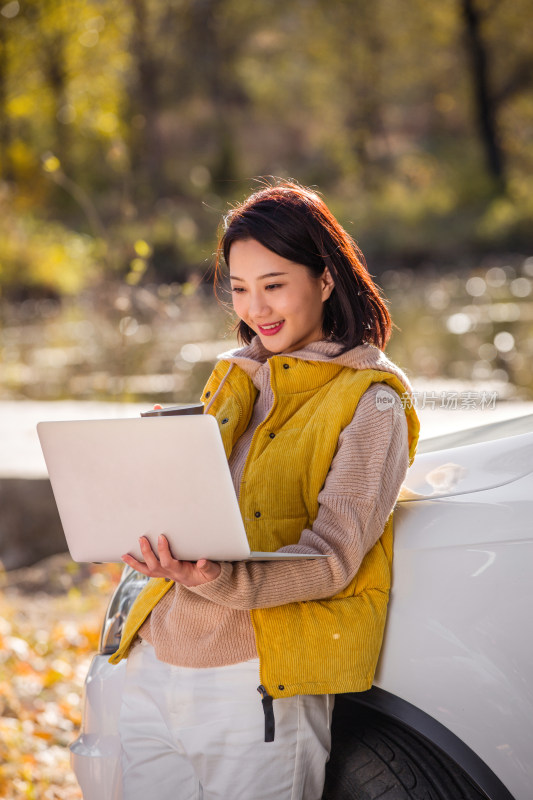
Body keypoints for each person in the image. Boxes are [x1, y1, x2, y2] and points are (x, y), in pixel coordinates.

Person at [110, 181, 420, 800]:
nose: (256, 307)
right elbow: (208, 514)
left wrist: (218, 580)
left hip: (254, 682)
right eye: (242, 288)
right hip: (150, 663)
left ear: (326, 278)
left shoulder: (371, 403)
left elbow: (332, 558)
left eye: (274, 284)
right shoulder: (234, 376)